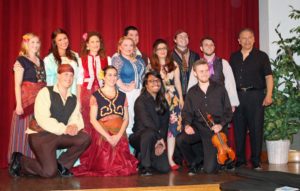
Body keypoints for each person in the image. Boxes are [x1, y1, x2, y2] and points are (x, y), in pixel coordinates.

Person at [9, 64, 91, 178]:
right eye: (65, 74)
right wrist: (65, 128)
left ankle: (61, 165)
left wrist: (73, 126)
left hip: (59, 135)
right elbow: (43, 119)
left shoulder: (73, 99)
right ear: (58, 76)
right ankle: (20, 160)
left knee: (85, 138)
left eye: (71, 75)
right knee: (48, 172)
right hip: (41, 136)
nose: (69, 78)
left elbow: (76, 118)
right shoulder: (45, 92)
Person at [72, 66, 138, 176]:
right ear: (104, 77)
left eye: (115, 75)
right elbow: (93, 120)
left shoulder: (122, 95)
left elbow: (126, 118)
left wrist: (118, 136)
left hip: (119, 133)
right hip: (102, 133)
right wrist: (108, 137)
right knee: (104, 166)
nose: (112, 78)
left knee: (122, 167)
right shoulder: (96, 95)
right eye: (109, 75)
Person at [176, 59, 232, 175]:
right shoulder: (192, 92)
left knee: (210, 170)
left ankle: (211, 160)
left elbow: (228, 111)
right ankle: (195, 162)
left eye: (206, 70)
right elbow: (186, 112)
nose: (205, 73)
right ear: (195, 73)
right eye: (201, 71)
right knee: (181, 139)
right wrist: (186, 126)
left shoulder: (219, 88)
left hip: (215, 130)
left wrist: (220, 125)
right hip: (199, 127)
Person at [229, 28, 273, 170]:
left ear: (254, 39)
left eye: (250, 38)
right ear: (239, 41)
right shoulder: (233, 57)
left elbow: (268, 77)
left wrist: (269, 95)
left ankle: (256, 160)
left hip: (256, 96)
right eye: (244, 38)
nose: (247, 40)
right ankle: (240, 160)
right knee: (239, 129)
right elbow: (229, 80)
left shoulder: (262, 56)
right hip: (238, 96)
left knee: (256, 129)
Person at [44, 28, 83, 163]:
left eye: (65, 38)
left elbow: (79, 79)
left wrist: (79, 98)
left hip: (72, 96)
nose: (63, 42)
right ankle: (54, 161)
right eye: (59, 40)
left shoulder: (75, 56)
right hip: (58, 96)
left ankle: (67, 162)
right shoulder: (49, 59)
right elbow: (49, 82)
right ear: (54, 42)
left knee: (73, 125)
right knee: (59, 126)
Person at [8, 33, 46, 161]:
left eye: (37, 42)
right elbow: (17, 85)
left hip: (39, 103)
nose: (35, 45)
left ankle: (34, 162)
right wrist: (19, 105)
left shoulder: (41, 61)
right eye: (32, 42)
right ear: (26, 44)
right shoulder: (21, 60)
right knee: (23, 133)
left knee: (36, 133)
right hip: (26, 103)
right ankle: (18, 163)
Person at [149, 39, 184, 170]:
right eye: (159, 48)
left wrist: (181, 98)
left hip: (173, 99)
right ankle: (157, 157)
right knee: (159, 128)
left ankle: (170, 159)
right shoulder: (151, 66)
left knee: (172, 130)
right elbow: (150, 85)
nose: (162, 50)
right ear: (155, 51)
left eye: (164, 48)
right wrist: (162, 78)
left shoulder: (174, 64)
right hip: (158, 99)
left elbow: (178, 83)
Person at [129, 71, 170, 176]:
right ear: (146, 85)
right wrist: (159, 138)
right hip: (139, 137)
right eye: (151, 81)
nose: (155, 83)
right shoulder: (140, 101)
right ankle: (145, 166)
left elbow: (165, 124)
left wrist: (162, 142)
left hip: (156, 138)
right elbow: (147, 123)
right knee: (149, 132)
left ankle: (143, 156)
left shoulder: (163, 101)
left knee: (164, 168)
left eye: (157, 81)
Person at [187, 37, 239, 111]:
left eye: (211, 45)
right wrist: (190, 103)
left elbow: (230, 84)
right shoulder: (196, 64)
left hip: (220, 102)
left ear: (214, 47)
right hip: (201, 103)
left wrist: (232, 103)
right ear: (201, 48)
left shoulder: (224, 63)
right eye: (206, 45)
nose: (209, 47)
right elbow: (192, 84)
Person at [111, 37, 145, 136]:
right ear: (120, 47)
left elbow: (144, 75)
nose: (128, 48)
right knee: (129, 120)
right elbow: (115, 76)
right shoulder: (117, 59)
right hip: (127, 93)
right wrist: (126, 88)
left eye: (131, 45)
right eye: (125, 45)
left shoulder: (138, 59)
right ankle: (129, 147)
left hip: (140, 92)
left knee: (140, 118)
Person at [79, 32, 111, 130]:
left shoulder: (107, 59)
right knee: (87, 119)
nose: (95, 44)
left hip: (103, 93)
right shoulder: (81, 60)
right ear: (87, 45)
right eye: (92, 42)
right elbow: (79, 81)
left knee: (102, 119)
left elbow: (110, 79)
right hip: (86, 93)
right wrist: (78, 100)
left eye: (97, 41)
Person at [172, 30, 200, 97]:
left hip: (193, 93)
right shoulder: (169, 56)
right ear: (175, 40)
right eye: (180, 36)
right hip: (175, 94)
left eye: (186, 36)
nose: (183, 38)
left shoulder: (195, 55)